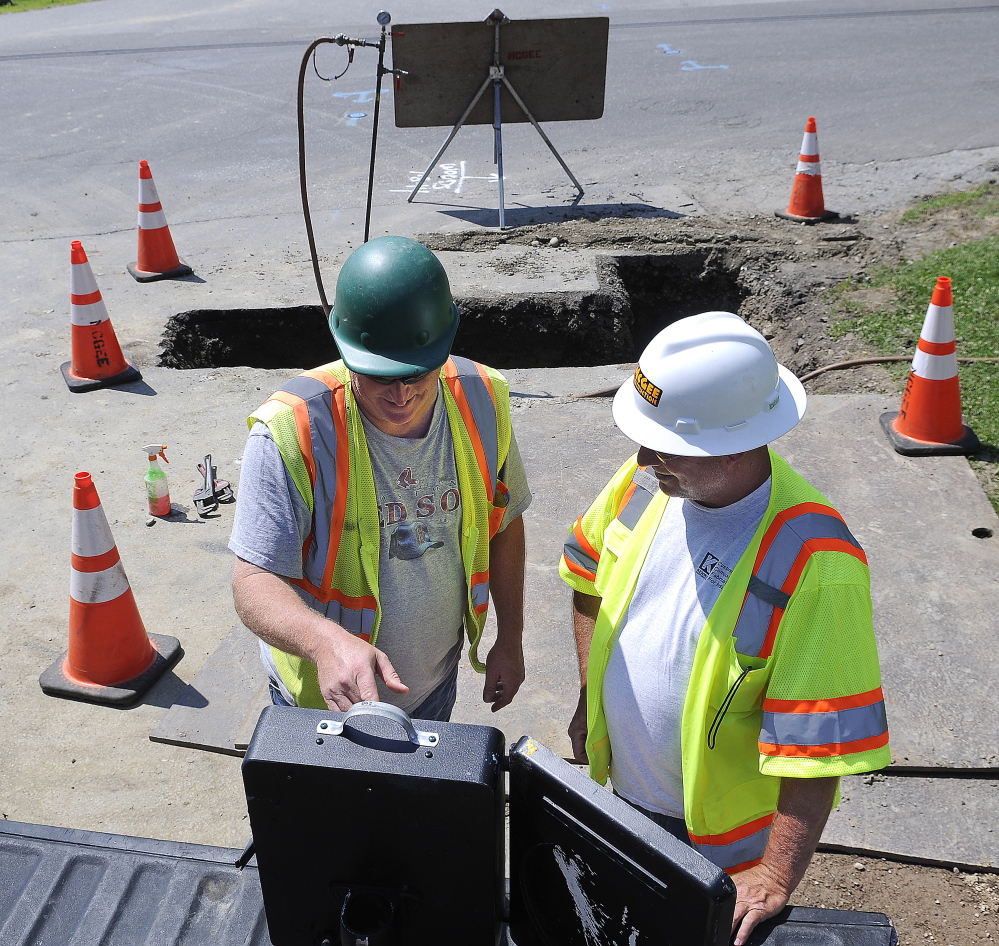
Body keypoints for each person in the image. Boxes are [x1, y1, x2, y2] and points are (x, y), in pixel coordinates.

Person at [559, 311, 890, 945]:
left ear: (735, 445)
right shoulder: (649, 482)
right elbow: (587, 575)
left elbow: (819, 746)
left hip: (719, 853)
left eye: (663, 443)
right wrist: (588, 698)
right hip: (624, 796)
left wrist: (774, 874)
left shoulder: (816, 562)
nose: (643, 456)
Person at [230, 235, 531, 722]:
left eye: (416, 374)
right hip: (324, 702)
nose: (401, 396)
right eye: (379, 377)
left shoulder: (483, 398)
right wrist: (326, 643)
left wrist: (510, 638)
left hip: (433, 683)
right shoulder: (294, 430)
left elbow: (504, 523)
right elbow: (252, 580)